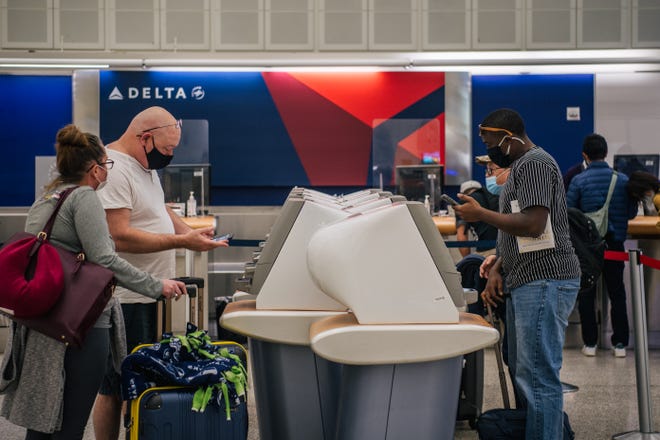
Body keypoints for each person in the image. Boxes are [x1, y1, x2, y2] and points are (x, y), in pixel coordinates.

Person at [0, 125, 186, 440]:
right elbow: (106, 259)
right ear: (94, 168)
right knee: (71, 421)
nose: (107, 171)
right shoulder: (84, 197)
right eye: (106, 165)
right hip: (80, 324)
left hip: (44, 320)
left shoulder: (48, 197)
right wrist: (157, 285)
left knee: (46, 419)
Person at [93, 106, 228, 440]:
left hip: (148, 294)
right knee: (114, 384)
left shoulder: (143, 166)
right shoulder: (115, 168)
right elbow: (118, 236)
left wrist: (190, 237)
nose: (170, 155)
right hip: (124, 298)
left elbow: (160, 208)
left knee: (140, 381)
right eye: (167, 149)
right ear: (145, 138)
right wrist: (181, 239)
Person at [454, 108, 580, 439]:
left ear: (509, 138)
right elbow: (524, 230)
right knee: (529, 373)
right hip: (529, 277)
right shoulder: (522, 166)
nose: (489, 150)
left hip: (545, 280)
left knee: (538, 376)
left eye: (491, 141)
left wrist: (480, 212)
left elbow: (534, 223)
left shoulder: (534, 164)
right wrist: (500, 262)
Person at [566, 134, 638, 358]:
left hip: (587, 248)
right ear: (606, 153)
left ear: (585, 155)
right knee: (617, 293)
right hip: (615, 245)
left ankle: (590, 343)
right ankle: (620, 344)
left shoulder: (578, 180)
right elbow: (631, 213)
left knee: (587, 293)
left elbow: (569, 213)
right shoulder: (623, 180)